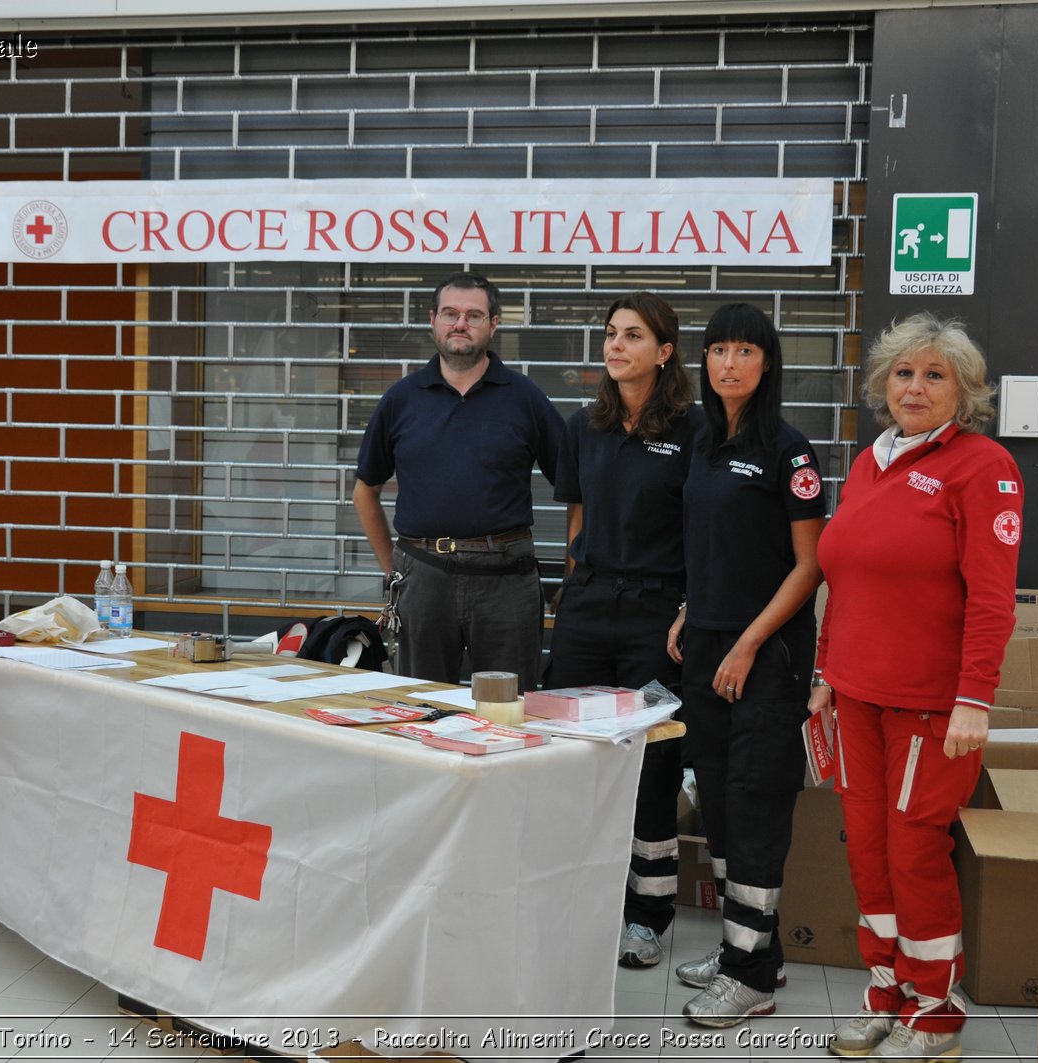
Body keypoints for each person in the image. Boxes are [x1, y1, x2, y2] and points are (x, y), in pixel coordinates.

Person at [808, 312, 1023, 1060]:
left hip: (932, 706)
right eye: (904, 372)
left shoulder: (983, 465)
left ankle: (935, 1011)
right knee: (868, 849)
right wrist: (826, 671)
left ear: (965, 392)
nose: (916, 386)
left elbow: (994, 599)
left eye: (936, 375)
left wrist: (975, 698)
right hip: (856, 696)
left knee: (915, 854)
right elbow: (843, 573)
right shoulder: (870, 461)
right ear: (882, 383)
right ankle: (888, 993)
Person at [665, 303, 826, 1027]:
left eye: (746, 350)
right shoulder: (701, 440)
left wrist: (746, 643)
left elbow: (809, 566)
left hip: (766, 655)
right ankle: (745, 950)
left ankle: (751, 974)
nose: (729, 363)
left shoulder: (789, 451)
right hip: (708, 643)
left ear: (768, 364)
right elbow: (711, 544)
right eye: (718, 349)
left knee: (756, 804)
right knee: (722, 802)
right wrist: (689, 611)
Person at [542, 291, 701, 969]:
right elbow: (577, 515)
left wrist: (692, 604)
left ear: (663, 352)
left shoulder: (696, 431)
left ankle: (647, 914)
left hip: (655, 615)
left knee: (652, 760)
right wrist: (578, 582)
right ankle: (576, 897)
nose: (616, 345)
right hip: (587, 605)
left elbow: (707, 525)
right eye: (610, 334)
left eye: (632, 335)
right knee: (567, 748)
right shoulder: (586, 426)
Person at [353, 272, 562, 689]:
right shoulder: (401, 398)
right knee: (418, 707)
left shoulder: (526, 399)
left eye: (473, 315)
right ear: (433, 320)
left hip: (507, 578)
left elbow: (577, 490)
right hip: (423, 577)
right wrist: (394, 571)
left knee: (508, 710)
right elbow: (365, 491)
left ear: (494, 324)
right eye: (450, 313)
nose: (460, 324)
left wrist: (573, 575)